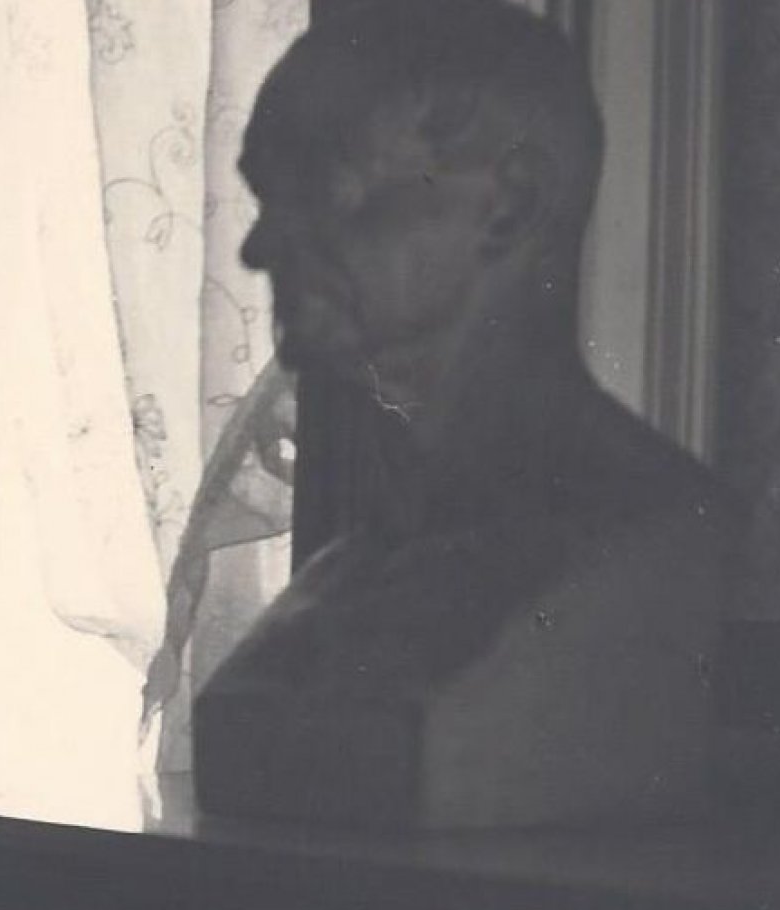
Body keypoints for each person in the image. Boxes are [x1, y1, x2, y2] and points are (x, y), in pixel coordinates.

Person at [194, 0, 736, 826]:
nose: (257, 247)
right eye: (268, 195)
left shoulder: (655, 543)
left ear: (508, 206)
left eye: (321, 188)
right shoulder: (352, 568)